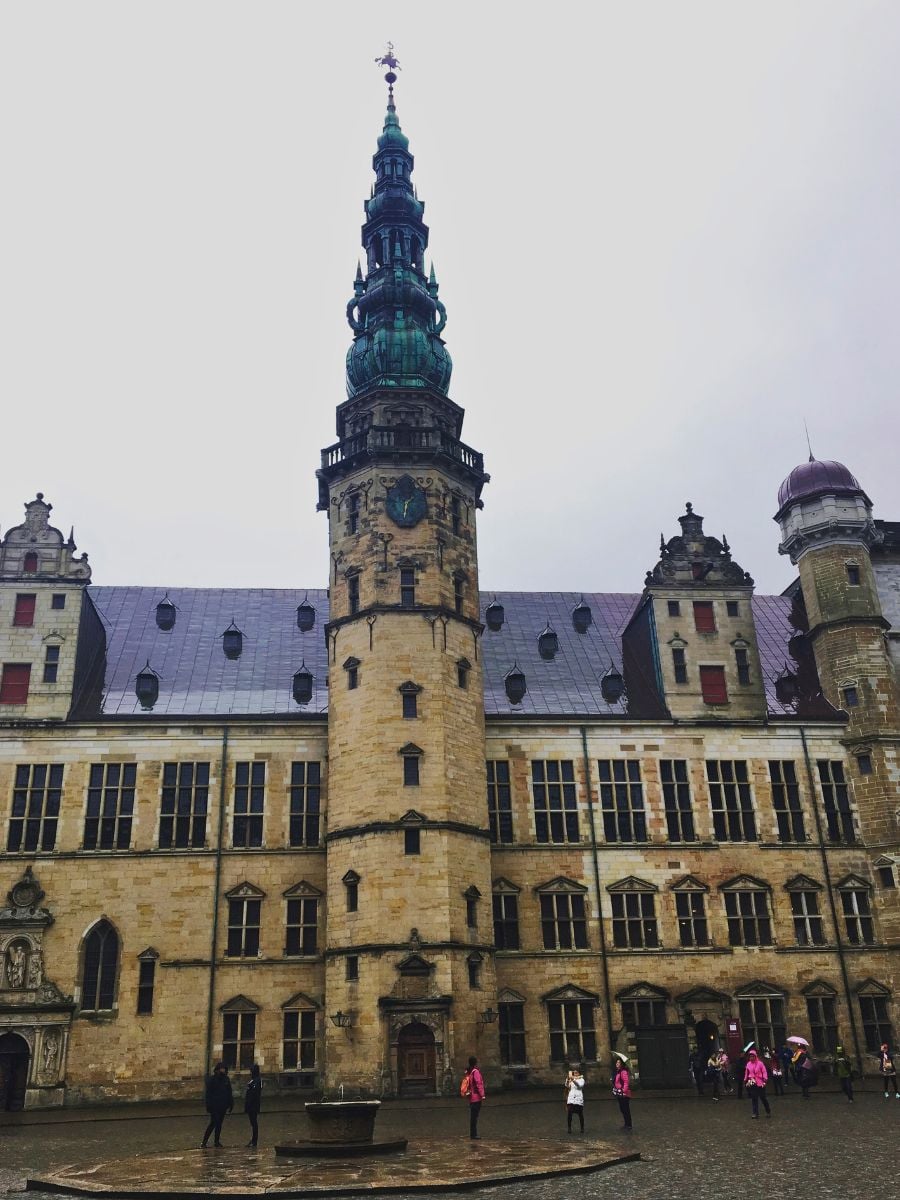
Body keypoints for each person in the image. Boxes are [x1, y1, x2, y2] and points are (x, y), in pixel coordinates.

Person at [201, 1062, 234, 1148]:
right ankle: (204, 1142)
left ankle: (217, 1141)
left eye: (224, 1068)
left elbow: (229, 1092)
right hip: (214, 1106)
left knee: (219, 1124)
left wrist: (231, 1103)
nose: (223, 1070)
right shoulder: (213, 1079)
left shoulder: (226, 1079)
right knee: (213, 1123)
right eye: (221, 1068)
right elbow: (208, 1094)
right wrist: (208, 1105)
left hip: (223, 1105)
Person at [743, 1049, 771, 1119]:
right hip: (752, 1082)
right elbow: (747, 1072)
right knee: (754, 1098)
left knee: (763, 1098)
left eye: (753, 1056)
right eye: (750, 1056)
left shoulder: (760, 1063)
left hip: (760, 1082)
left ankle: (768, 1111)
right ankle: (755, 1113)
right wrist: (745, 1079)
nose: (751, 1058)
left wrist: (765, 1078)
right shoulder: (748, 1064)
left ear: (755, 1056)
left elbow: (764, 1071)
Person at [464, 1055, 485, 1139]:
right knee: (474, 1117)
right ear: (475, 1062)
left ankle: (473, 1133)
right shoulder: (475, 1071)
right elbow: (478, 1083)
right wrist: (482, 1095)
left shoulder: (469, 1071)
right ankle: (474, 1134)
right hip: (476, 1097)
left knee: (473, 1116)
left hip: (471, 1097)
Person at [612, 1053, 632, 1132]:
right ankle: (626, 1124)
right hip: (619, 1094)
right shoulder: (618, 1071)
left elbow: (626, 1082)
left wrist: (623, 1091)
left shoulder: (623, 1072)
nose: (617, 1064)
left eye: (618, 1063)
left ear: (622, 1064)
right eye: (616, 1063)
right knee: (622, 1109)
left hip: (624, 1094)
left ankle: (629, 1125)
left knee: (626, 1109)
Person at [244, 1063, 263, 1147]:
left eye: (251, 1071)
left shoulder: (257, 1080)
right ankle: (252, 1140)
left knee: (254, 1123)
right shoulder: (253, 1080)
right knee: (252, 1123)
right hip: (250, 1105)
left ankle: (254, 1141)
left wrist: (249, 1103)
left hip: (253, 1105)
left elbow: (254, 1093)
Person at [565, 1066, 585, 1133]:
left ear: (579, 1073)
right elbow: (567, 1086)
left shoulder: (581, 1080)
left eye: (576, 1073)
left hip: (578, 1099)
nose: (575, 1074)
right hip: (571, 1099)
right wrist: (568, 1079)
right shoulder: (571, 1079)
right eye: (574, 1073)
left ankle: (582, 1128)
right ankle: (569, 1128)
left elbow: (579, 1086)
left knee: (580, 1114)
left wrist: (573, 1080)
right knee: (569, 1114)